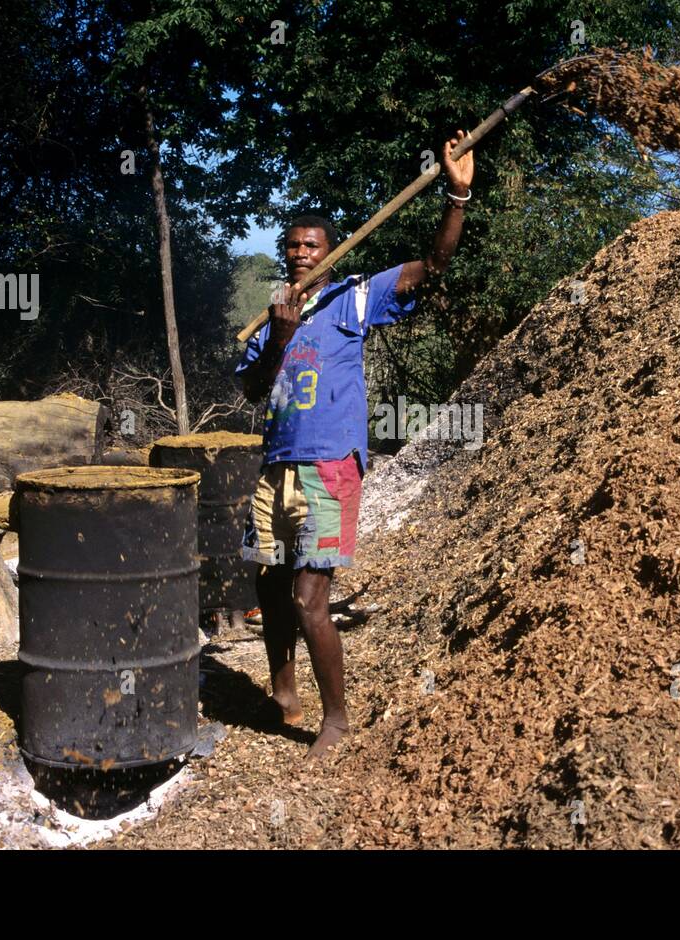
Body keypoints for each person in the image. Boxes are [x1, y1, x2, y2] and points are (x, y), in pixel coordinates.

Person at [236, 128, 476, 759]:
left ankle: (337, 720)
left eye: (311, 245)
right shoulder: (273, 317)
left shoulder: (353, 297)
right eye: (291, 247)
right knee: (267, 584)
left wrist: (456, 198)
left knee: (309, 598)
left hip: (328, 467)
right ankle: (284, 691)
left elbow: (435, 268)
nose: (299, 255)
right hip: (274, 467)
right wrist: (282, 338)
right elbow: (253, 391)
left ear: (330, 250)